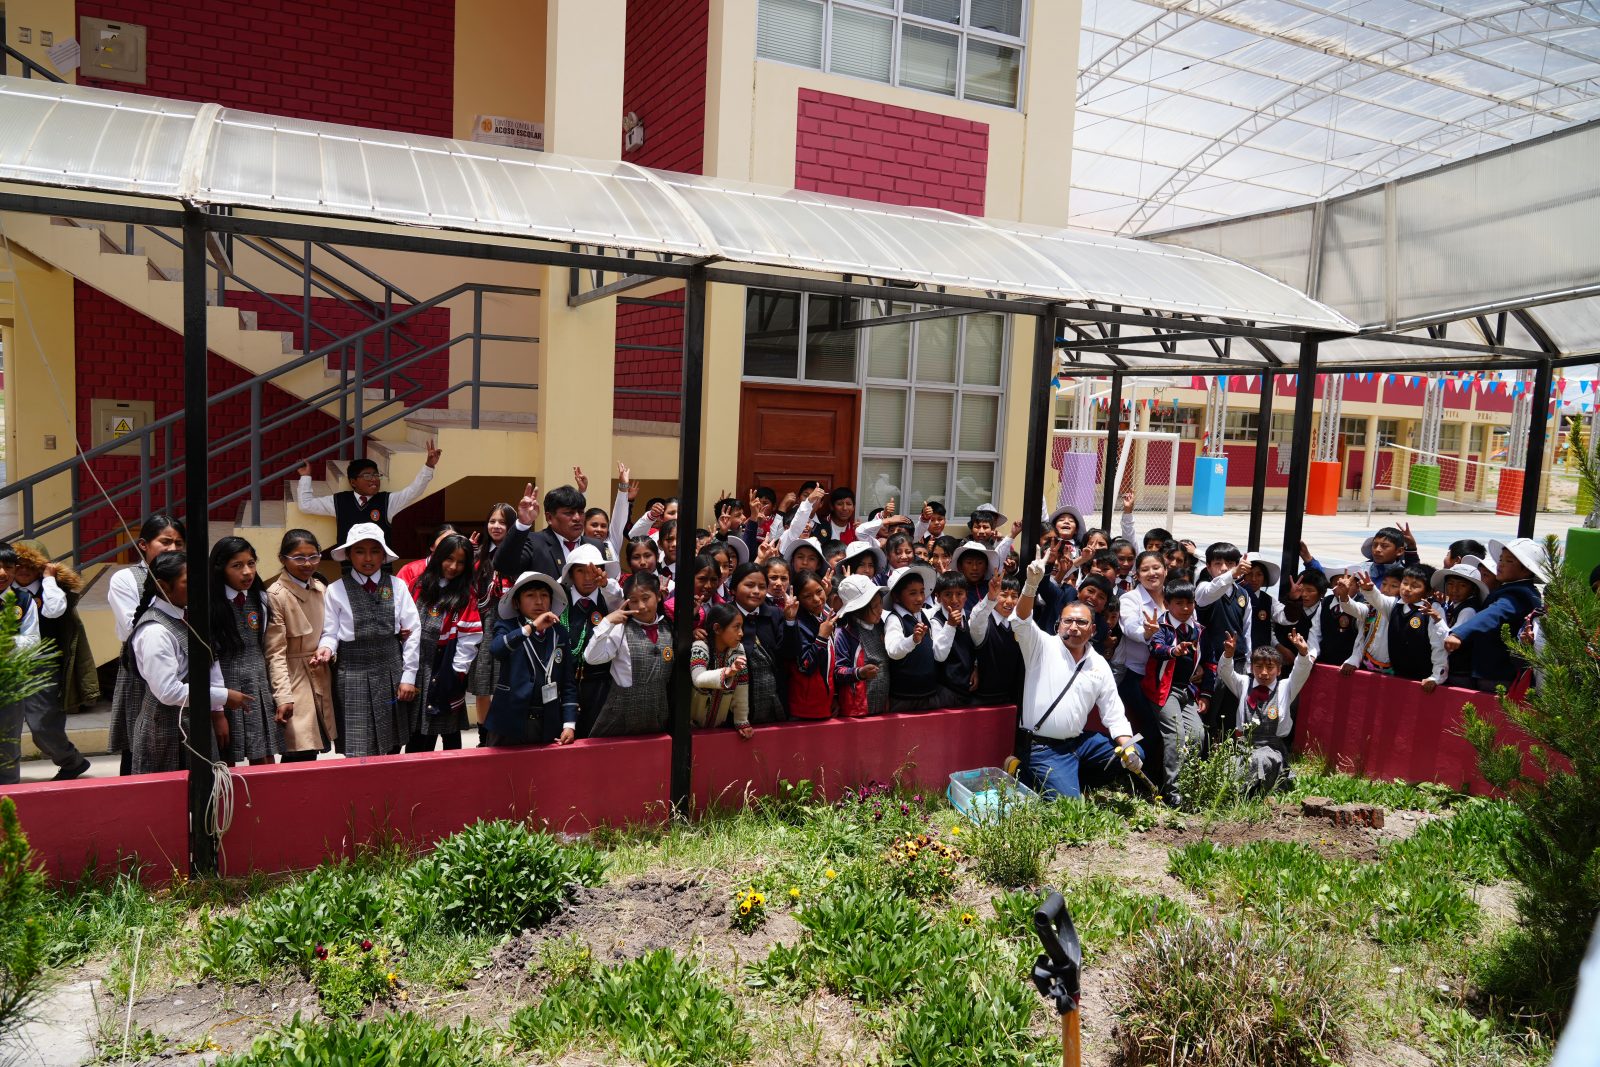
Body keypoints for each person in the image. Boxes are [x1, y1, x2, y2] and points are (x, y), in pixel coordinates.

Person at [1014, 560, 1143, 799]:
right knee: (1069, 807)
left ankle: (1073, 781)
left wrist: (1129, 748)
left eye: (1081, 622)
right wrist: (1031, 585)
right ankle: (1026, 773)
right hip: (1043, 747)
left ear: (1093, 630)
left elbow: (1114, 714)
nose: (1073, 627)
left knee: (1133, 751)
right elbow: (1021, 621)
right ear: (1059, 625)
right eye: (1068, 621)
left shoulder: (1099, 664)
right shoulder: (1040, 646)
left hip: (1078, 743)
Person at [118, 552, 244, 775]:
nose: (199, 587)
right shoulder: (155, 631)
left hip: (194, 721)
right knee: (168, 792)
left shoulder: (188, 616)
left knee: (204, 787)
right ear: (163, 586)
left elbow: (210, 659)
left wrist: (217, 710)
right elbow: (168, 692)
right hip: (164, 727)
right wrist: (224, 696)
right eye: (189, 581)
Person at [310, 523, 421, 758]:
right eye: (360, 551)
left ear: (384, 555)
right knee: (357, 744)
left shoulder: (398, 586)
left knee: (392, 743)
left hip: (391, 671)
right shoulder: (335, 590)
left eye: (375, 551)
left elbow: (412, 632)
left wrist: (408, 676)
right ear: (349, 555)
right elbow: (330, 632)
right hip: (352, 673)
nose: (368, 558)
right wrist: (326, 648)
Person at [107, 514, 187, 775]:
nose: (173, 548)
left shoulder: (187, 574)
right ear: (143, 544)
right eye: (165, 542)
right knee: (139, 741)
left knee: (180, 738)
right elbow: (132, 625)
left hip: (182, 664)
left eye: (179, 543)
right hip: (142, 667)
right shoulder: (126, 578)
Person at [10, 541, 94, 780]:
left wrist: (49, 578)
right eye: (18, 564)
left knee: (42, 724)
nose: (24, 570)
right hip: (9, 664)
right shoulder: (6, 589)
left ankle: (71, 761)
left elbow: (54, 610)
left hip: (41, 664)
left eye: (31, 565)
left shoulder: (51, 590)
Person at [404, 533, 483, 752]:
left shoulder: (466, 594)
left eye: (461, 562)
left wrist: (456, 672)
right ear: (438, 556)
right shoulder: (418, 584)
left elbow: (469, 639)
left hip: (444, 664)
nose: (453, 567)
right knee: (416, 730)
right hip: (415, 662)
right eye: (449, 559)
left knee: (446, 727)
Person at [209, 536, 282, 765]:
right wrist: (217, 710)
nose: (247, 572)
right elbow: (212, 659)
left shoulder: (261, 599)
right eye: (237, 565)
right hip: (226, 686)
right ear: (220, 569)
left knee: (264, 754)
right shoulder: (210, 606)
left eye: (251, 563)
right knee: (225, 756)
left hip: (258, 685)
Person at [264, 529, 336, 762]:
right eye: (299, 558)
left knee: (312, 749)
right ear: (282, 559)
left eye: (313, 556)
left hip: (320, 672)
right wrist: (283, 695)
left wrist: (327, 649)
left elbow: (331, 631)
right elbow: (275, 652)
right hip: (293, 678)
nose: (307, 564)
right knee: (298, 747)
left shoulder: (321, 588)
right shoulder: (276, 595)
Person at [484, 571, 578, 746]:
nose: (539, 601)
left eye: (544, 595)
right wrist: (532, 627)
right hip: (508, 722)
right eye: (530, 595)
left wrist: (569, 724)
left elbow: (568, 683)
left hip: (548, 723)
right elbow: (497, 649)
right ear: (516, 602)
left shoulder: (559, 633)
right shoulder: (507, 626)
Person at [1444, 537, 1545, 691]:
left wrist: (1459, 633)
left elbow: (1494, 613)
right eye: (1501, 559)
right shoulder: (1521, 590)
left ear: (1526, 570)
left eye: (1509, 561)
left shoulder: (1517, 594)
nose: (1501, 564)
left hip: (1496, 674)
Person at [1218, 630, 1312, 793]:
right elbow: (1225, 672)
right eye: (1258, 667)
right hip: (1244, 748)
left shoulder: (1285, 687)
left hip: (1272, 750)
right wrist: (1228, 654)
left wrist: (1303, 653)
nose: (1263, 673)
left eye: (1270, 667)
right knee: (1228, 767)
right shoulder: (1243, 683)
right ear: (1251, 667)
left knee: (1260, 760)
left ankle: (1259, 793)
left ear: (1279, 670)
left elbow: (1301, 672)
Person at [1143, 579, 1210, 806]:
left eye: (1189, 603)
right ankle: (1173, 792)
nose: (1185, 608)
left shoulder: (1199, 630)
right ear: (1167, 603)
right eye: (1179, 603)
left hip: (1187, 691)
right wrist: (1174, 651)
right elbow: (1156, 648)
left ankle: (1189, 785)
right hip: (1163, 689)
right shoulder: (1160, 626)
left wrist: (1205, 694)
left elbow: (1209, 663)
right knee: (1176, 735)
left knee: (1198, 735)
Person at [296, 442, 441, 545]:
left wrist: (429, 466)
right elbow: (306, 505)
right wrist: (305, 476)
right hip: (350, 569)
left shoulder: (387, 501)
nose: (374, 479)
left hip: (382, 569)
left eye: (376, 475)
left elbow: (414, 491)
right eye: (367, 476)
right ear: (353, 482)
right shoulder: (339, 501)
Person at [583, 571, 673, 737]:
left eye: (646, 598)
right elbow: (591, 657)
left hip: (657, 715)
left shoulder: (669, 627)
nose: (641, 606)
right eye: (634, 600)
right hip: (621, 716)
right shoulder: (620, 629)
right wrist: (607, 622)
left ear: (659, 596)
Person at [558, 543, 624, 732]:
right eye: (580, 571)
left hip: (600, 685)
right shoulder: (559, 600)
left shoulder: (608, 599)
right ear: (571, 574)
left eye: (593, 571)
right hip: (564, 684)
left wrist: (605, 584)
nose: (588, 577)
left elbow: (617, 597)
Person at [495, 480, 612, 583]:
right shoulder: (533, 542)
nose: (577, 518)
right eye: (569, 513)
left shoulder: (596, 546)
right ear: (549, 518)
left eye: (581, 512)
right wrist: (523, 524)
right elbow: (505, 567)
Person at [1355, 564, 1447, 689]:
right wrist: (1369, 589)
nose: (1407, 589)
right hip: (1397, 675)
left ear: (1429, 591)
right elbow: (1378, 599)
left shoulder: (1432, 610)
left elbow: (1439, 646)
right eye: (1405, 583)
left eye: (1415, 586)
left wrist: (1436, 676)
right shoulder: (1395, 604)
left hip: (1423, 678)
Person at [468, 504, 518, 726]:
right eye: (492, 521)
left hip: (510, 623)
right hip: (482, 624)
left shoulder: (520, 554)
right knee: (483, 683)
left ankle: (502, 731)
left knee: (506, 681)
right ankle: (484, 733)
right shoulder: (476, 554)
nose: (496, 526)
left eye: (503, 522)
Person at [0, 543, 45, 785]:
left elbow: (32, 641)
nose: (3, 573)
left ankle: (8, 790)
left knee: (8, 743)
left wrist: (7, 643)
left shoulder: (24, 601)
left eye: (8, 567)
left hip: (10, 684)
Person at [883, 564, 953, 712]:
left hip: (930, 695)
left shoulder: (925, 615)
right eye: (912, 593)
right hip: (904, 699)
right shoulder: (894, 620)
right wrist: (913, 639)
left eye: (922, 591)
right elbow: (893, 651)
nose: (920, 598)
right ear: (896, 596)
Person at [728, 562, 787, 724]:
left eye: (762, 587)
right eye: (749, 585)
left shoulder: (775, 614)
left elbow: (787, 653)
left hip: (773, 699)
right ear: (733, 589)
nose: (756, 591)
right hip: (736, 703)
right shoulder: (725, 615)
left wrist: (790, 621)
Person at [691, 603, 753, 737]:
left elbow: (741, 687)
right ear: (717, 628)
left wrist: (742, 721)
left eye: (741, 627)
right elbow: (698, 678)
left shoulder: (738, 649)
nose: (741, 633)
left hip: (719, 727)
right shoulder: (700, 646)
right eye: (736, 627)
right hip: (690, 728)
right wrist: (728, 672)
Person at [831, 574, 889, 717]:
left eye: (880, 603)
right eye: (874, 606)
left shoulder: (881, 626)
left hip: (882, 706)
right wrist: (859, 672)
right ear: (858, 609)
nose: (880, 609)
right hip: (857, 710)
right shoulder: (844, 634)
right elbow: (838, 671)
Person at [781, 569, 835, 719]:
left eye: (819, 591)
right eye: (807, 596)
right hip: (804, 709)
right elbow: (806, 666)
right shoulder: (798, 624)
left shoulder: (825, 616)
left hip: (825, 703)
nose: (816, 599)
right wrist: (822, 637)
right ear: (798, 600)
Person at [969, 571, 1024, 708]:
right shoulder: (984, 621)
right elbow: (976, 621)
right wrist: (991, 597)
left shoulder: (1019, 623)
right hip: (981, 699)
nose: (1009, 601)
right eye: (1004, 595)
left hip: (1009, 699)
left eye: (1014, 596)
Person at [1432, 562, 1486, 687]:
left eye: (1462, 585)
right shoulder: (1454, 605)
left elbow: (1450, 640)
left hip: (1460, 672)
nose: (1454, 590)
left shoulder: (1468, 610)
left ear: (1473, 589)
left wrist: (1438, 619)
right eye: (1450, 584)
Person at [930, 571, 977, 706]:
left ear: (966, 595)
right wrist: (950, 625)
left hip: (969, 687)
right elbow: (939, 655)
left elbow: (979, 645)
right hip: (946, 690)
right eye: (948, 594)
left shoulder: (971, 617)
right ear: (938, 597)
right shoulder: (936, 621)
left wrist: (976, 667)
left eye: (959, 594)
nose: (954, 600)